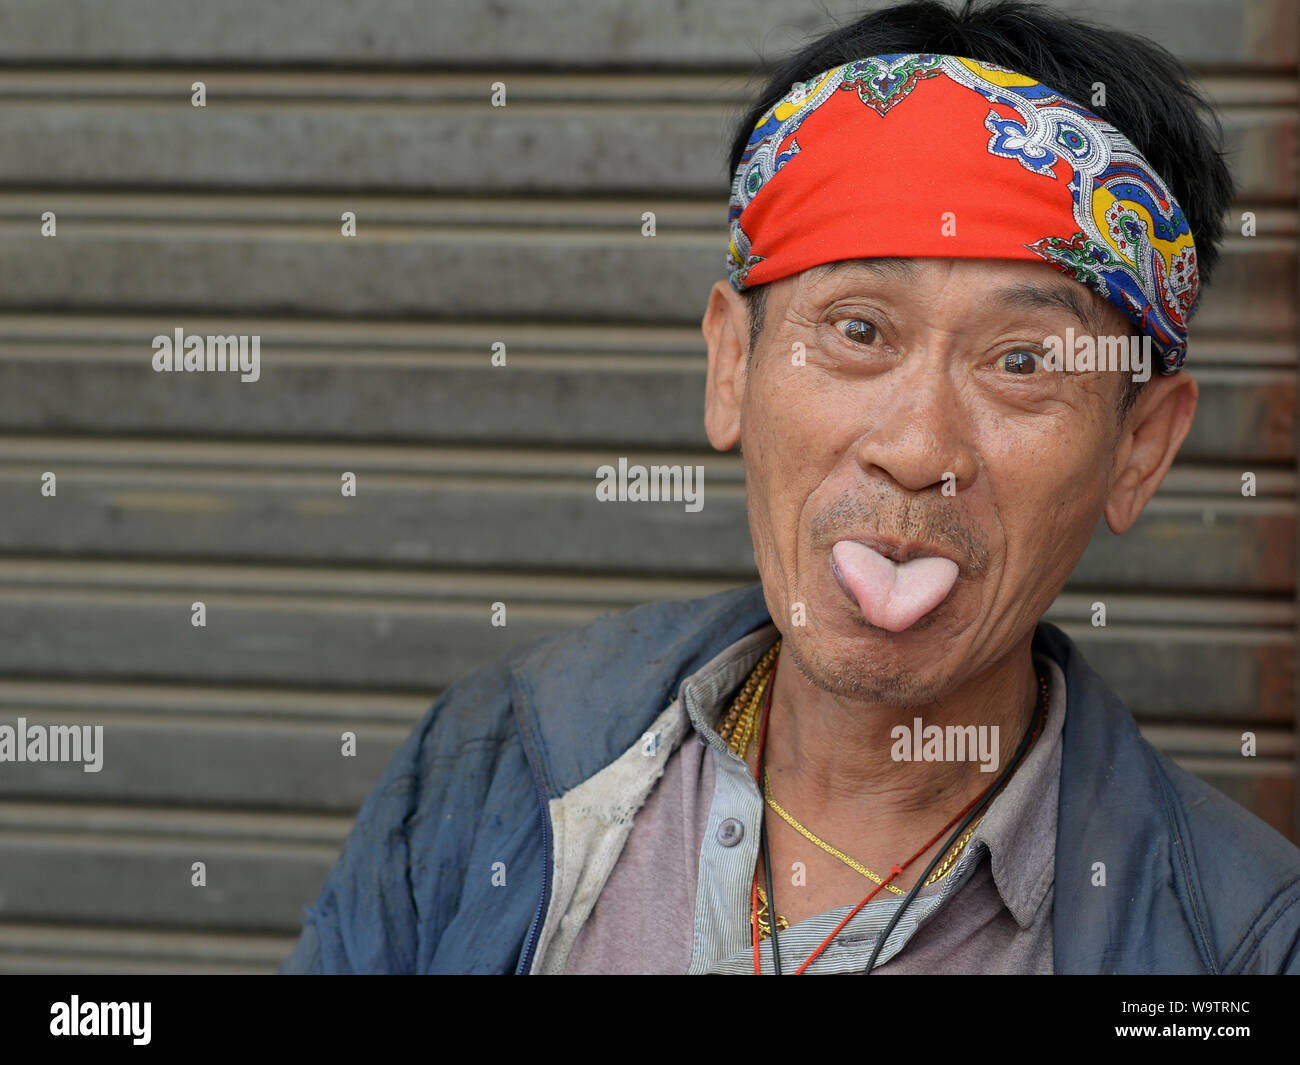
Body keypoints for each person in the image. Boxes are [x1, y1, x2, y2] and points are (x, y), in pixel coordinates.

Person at [280, 0, 1300, 974]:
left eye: (1024, 362)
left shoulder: (1240, 942)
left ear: (1139, 449)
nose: (914, 447)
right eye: (857, 331)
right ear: (731, 368)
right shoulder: (496, 766)